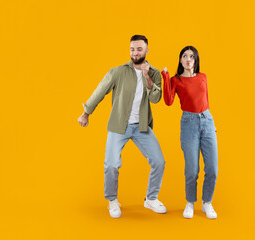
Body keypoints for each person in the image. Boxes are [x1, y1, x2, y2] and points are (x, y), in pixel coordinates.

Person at [78, 35, 166, 218]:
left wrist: (147, 75)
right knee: (111, 165)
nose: (135, 53)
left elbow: (156, 99)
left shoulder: (155, 73)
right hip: (119, 126)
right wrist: (86, 113)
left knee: (159, 161)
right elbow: (100, 91)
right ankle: (112, 200)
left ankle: (151, 199)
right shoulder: (118, 72)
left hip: (141, 126)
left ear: (147, 50)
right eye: (132, 49)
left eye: (139, 49)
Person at [161, 46, 218, 219]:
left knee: (213, 168)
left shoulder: (203, 77)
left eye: (191, 57)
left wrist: (211, 123)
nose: (188, 59)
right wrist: (165, 77)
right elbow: (169, 101)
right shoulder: (176, 80)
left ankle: (207, 202)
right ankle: (190, 202)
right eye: (184, 56)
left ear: (196, 60)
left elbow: (206, 100)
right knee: (192, 169)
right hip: (189, 123)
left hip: (207, 121)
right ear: (180, 59)